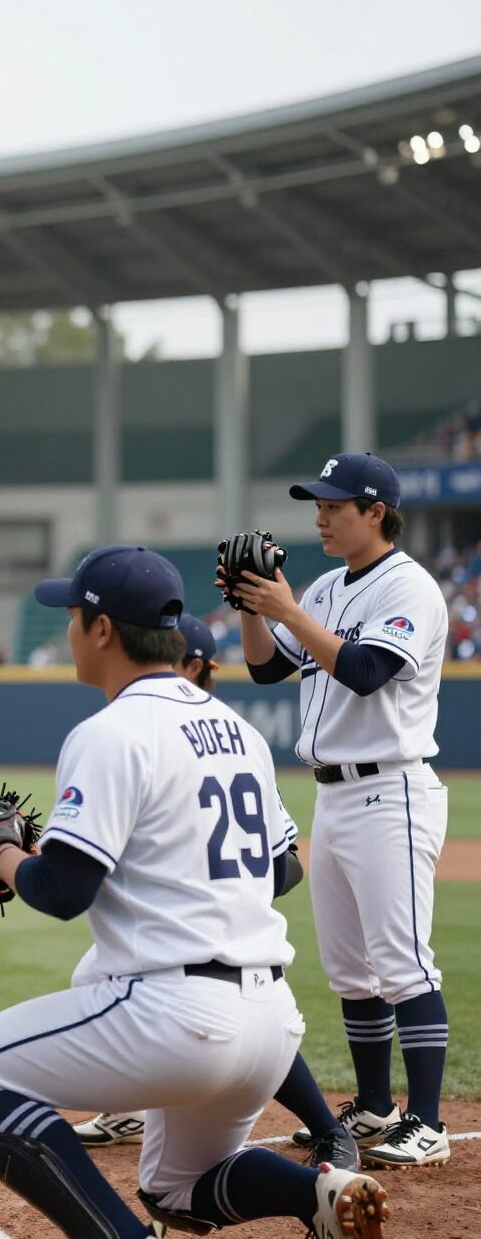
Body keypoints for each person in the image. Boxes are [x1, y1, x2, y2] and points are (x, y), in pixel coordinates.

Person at [0, 546, 390, 1239]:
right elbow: (278, 870)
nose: (69, 629)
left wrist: (3, 856)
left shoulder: (108, 732)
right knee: (177, 1187)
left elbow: (65, 891)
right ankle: (320, 1196)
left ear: (102, 629)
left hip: (175, 1017)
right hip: (272, 1027)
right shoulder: (236, 730)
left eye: (73, 616)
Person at [227, 453, 451, 1168]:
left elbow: (362, 671)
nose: (319, 517)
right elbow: (267, 666)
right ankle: (377, 1106)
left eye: (333, 506)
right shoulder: (325, 587)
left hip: (394, 790)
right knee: (352, 970)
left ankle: (428, 1121)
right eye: (316, 505)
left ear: (375, 512)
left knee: (404, 963)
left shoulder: (410, 588)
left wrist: (286, 606)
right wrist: (253, 609)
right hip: (335, 792)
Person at [73, 614, 358, 1171]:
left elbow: (281, 864)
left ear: (196, 666)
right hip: (214, 918)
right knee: (100, 973)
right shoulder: (230, 733)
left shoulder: (153, 729)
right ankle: (129, 1107)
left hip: (207, 924)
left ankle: (326, 1128)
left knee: (204, 999)